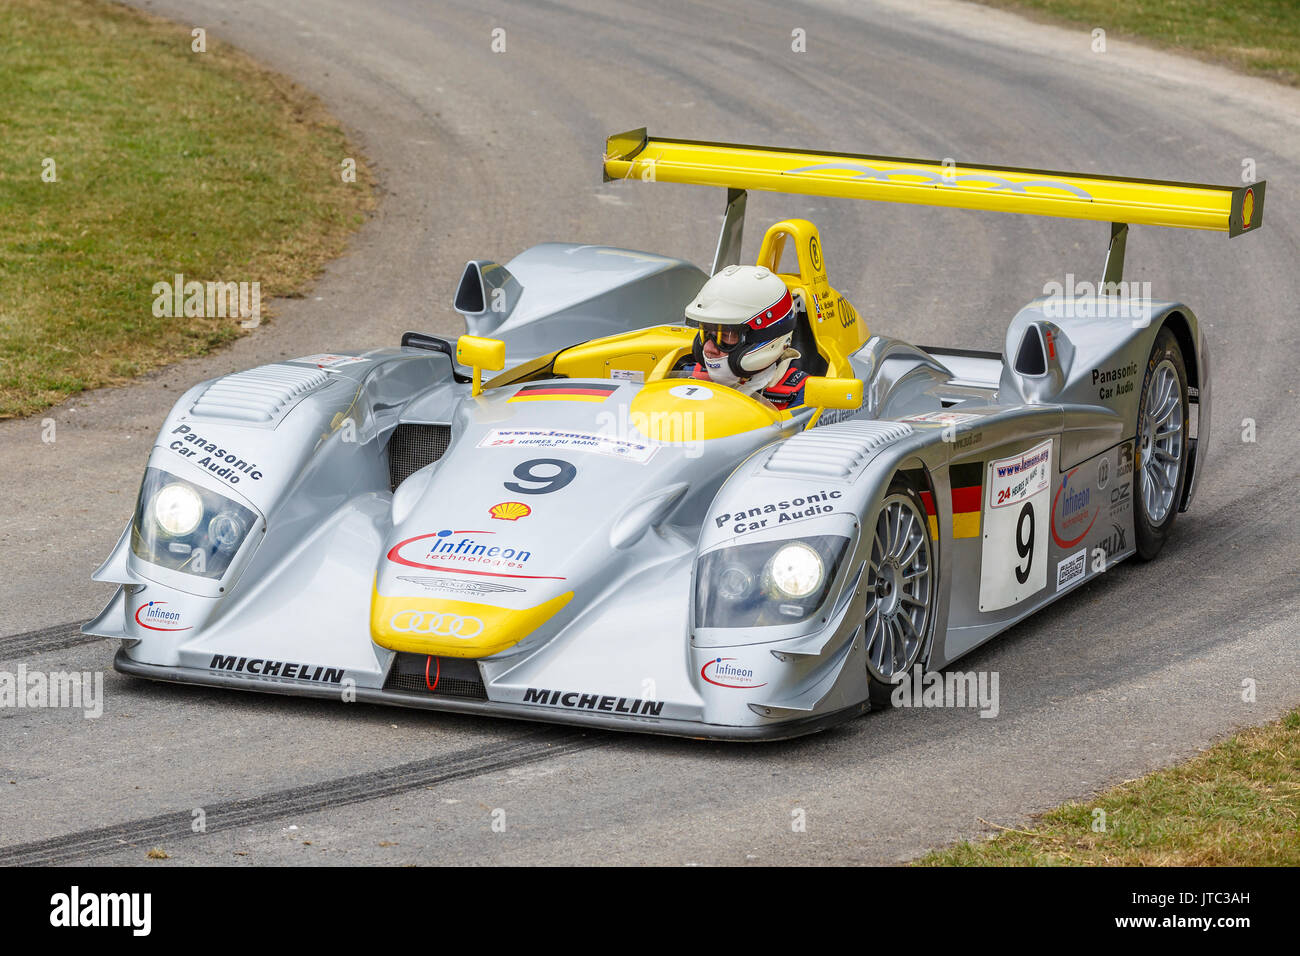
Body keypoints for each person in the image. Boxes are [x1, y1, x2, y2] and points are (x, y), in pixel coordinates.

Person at [678, 264, 807, 409]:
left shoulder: (805, 397)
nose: (708, 348)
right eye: (706, 333)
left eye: (725, 336)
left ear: (768, 338)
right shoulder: (687, 375)